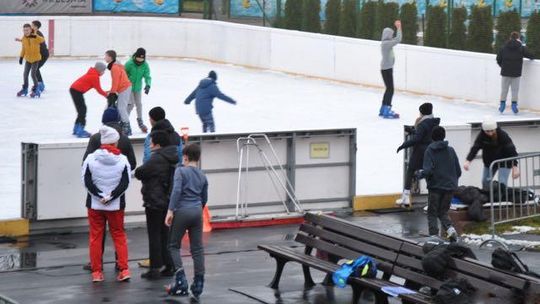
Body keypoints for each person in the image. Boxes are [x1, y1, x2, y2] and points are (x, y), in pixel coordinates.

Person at [81, 107, 137, 272]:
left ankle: (96, 265)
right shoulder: (125, 139)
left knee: (97, 234)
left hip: (95, 196)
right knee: (118, 232)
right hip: (117, 195)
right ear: (118, 120)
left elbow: (85, 165)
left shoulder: (96, 138)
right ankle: (121, 264)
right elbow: (132, 164)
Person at [165, 144, 208, 298]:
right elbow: (204, 198)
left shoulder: (180, 171)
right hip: (197, 211)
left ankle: (181, 279)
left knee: (173, 245)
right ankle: (198, 283)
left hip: (182, 211)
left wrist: (170, 211)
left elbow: (176, 191)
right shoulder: (202, 175)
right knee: (197, 249)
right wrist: (198, 208)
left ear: (186, 157)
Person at [135, 131, 178, 279]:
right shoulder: (171, 156)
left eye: (152, 142)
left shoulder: (157, 158)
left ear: (158, 144)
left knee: (154, 235)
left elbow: (140, 172)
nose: (150, 144)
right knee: (165, 235)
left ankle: (154, 268)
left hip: (154, 201)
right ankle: (169, 265)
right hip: (166, 200)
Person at [416, 126, 461, 242]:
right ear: (444, 136)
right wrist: (451, 181)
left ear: (432, 137)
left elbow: (428, 170)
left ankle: (434, 237)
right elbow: (458, 170)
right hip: (450, 187)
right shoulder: (450, 150)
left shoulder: (430, 150)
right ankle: (450, 230)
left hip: (436, 187)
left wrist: (419, 174)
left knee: (432, 212)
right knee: (443, 211)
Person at [396, 103, 440, 207]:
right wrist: (413, 131)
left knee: (410, 171)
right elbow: (425, 134)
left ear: (422, 112)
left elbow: (417, 139)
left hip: (420, 152)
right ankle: (432, 200)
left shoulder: (422, 123)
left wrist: (403, 145)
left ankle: (406, 197)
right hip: (431, 151)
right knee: (429, 174)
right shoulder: (434, 122)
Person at [464, 117, 520, 190]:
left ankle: (501, 199)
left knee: (502, 183)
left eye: (492, 131)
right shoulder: (482, 136)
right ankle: (487, 197)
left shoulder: (503, 135)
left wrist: (515, 167)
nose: (490, 133)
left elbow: (511, 151)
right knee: (485, 182)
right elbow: (475, 148)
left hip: (505, 162)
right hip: (490, 163)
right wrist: (468, 160)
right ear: (484, 130)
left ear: (495, 129)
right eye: (487, 131)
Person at [496, 32, 534, 114]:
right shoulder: (521, 47)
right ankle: (514, 106)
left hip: (505, 72)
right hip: (516, 73)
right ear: (518, 38)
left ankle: (502, 105)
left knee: (504, 90)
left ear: (510, 37)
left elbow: (498, 59)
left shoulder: (504, 47)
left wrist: (503, 67)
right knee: (515, 90)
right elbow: (530, 55)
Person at [69, 62, 108, 138]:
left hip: (74, 90)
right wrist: (107, 96)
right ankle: (80, 130)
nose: (103, 73)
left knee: (81, 110)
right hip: (77, 91)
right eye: (103, 71)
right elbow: (99, 90)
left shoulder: (92, 73)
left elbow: (99, 89)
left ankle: (76, 128)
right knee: (82, 110)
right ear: (99, 70)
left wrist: (107, 92)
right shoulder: (94, 76)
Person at [104, 50, 133, 136]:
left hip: (124, 88)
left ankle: (127, 127)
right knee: (120, 107)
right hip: (123, 87)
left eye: (106, 56)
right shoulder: (116, 65)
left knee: (121, 108)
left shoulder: (114, 67)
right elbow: (117, 81)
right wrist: (112, 90)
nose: (104, 58)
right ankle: (123, 124)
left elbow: (115, 81)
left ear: (110, 57)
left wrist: (112, 92)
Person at [125, 47, 152, 133]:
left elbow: (147, 76)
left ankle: (140, 121)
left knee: (139, 104)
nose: (140, 60)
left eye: (142, 58)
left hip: (138, 88)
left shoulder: (145, 65)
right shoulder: (129, 63)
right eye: (138, 58)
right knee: (131, 104)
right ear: (135, 56)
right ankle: (124, 121)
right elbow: (123, 74)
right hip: (128, 87)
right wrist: (127, 80)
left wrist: (148, 85)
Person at [379, 20, 402, 119]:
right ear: (387, 35)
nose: (392, 36)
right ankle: (386, 109)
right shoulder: (386, 44)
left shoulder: (386, 43)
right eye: (391, 34)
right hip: (387, 69)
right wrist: (399, 27)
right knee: (390, 89)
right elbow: (398, 39)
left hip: (386, 68)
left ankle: (383, 108)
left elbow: (396, 39)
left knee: (389, 89)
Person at [17, 23, 45, 98]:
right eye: (24, 30)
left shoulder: (35, 36)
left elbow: (42, 40)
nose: (26, 31)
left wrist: (35, 35)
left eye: (27, 30)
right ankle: (25, 89)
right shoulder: (24, 38)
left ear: (30, 30)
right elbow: (23, 49)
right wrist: (21, 57)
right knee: (25, 74)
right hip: (28, 60)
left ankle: (36, 89)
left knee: (33, 74)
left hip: (36, 59)